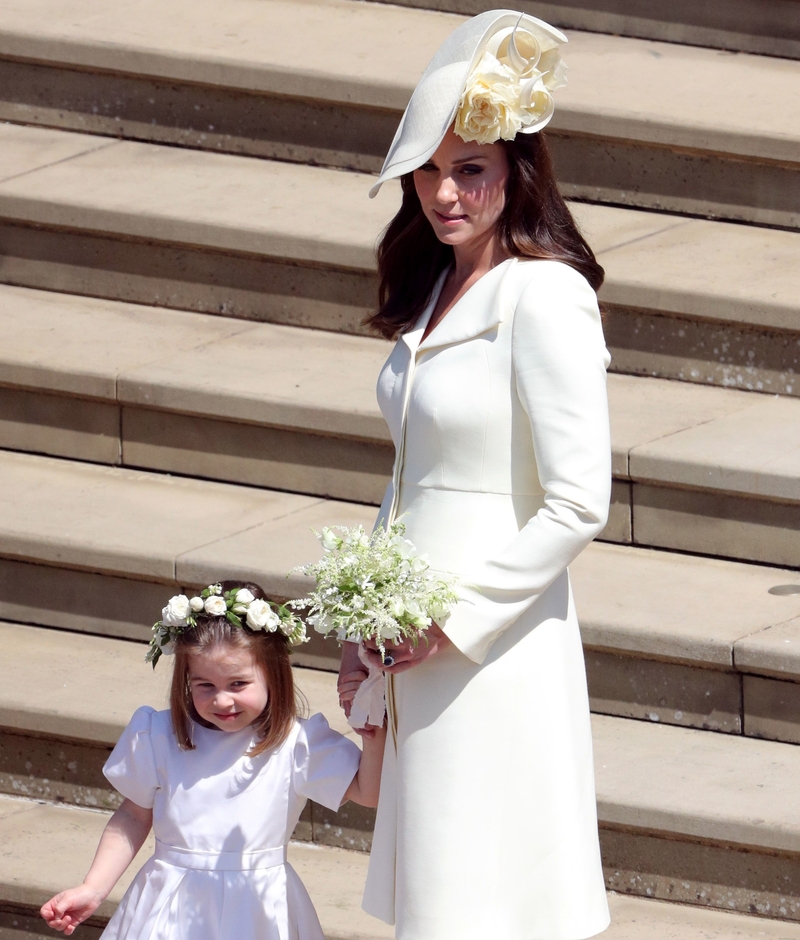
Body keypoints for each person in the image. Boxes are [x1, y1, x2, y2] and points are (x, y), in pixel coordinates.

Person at [338, 10, 612, 940]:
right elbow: (408, 473)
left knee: (487, 890)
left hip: (491, 644)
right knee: (439, 890)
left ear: (515, 172)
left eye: (471, 169)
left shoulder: (546, 294)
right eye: (430, 169)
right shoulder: (433, 286)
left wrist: (449, 621)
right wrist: (364, 619)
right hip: (406, 639)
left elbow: (579, 500)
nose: (444, 192)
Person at [41, 580, 385, 939]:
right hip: (169, 903)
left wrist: (371, 734)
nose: (222, 701)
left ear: (273, 675)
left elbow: (368, 791)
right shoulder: (159, 734)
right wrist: (94, 887)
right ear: (186, 681)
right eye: (205, 685)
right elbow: (132, 814)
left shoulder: (296, 742)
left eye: (238, 684)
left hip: (259, 909)